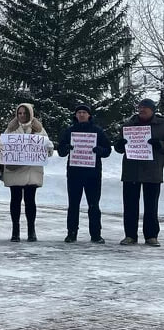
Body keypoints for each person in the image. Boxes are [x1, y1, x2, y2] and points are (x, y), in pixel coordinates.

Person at [57, 104, 111, 244]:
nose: (81, 115)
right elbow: (61, 150)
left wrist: (100, 150)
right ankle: (71, 233)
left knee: (93, 205)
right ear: (75, 115)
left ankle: (96, 234)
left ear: (89, 115)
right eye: (79, 112)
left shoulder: (97, 131)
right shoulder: (70, 131)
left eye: (84, 112)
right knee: (73, 205)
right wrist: (66, 148)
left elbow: (107, 150)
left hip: (93, 174)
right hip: (74, 173)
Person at [113, 98, 164, 246]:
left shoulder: (161, 125)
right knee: (130, 205)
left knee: (151, 206)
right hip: (131, 170)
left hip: (152, 171)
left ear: (152, 110)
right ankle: (130, 235)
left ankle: (151, 236)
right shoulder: (129, 125)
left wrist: (159, 144)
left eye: (145, 108)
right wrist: (120, 145)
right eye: (140, 107)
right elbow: (118, 146)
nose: (141, 110)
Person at [2, 103, 53, 242]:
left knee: (30, 201)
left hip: (32, 170)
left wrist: (48, 147)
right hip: (15, 170)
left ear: (30, 114)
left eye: (25, 113)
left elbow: (48, 150)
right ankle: (15, 231)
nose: (22, 116)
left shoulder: (39, 129)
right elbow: (4, 146)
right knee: (15, 200)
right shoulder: (11, 129)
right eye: (20, 113)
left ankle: (31, 230)